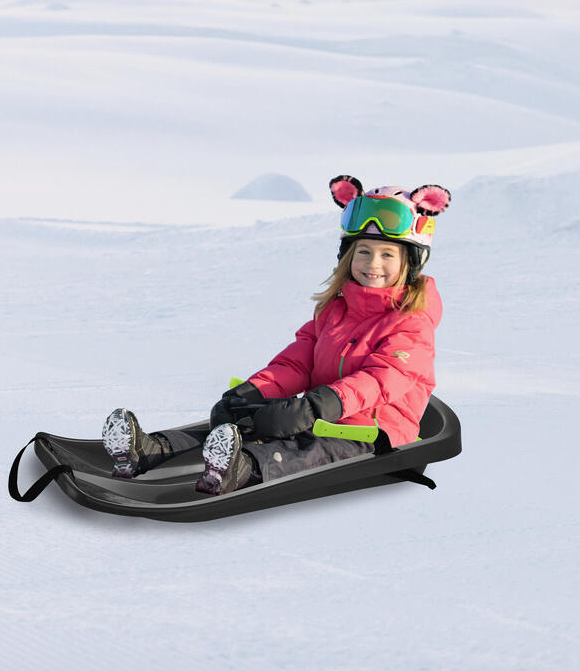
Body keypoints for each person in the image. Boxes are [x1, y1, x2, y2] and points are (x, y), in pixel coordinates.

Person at [101, 174, 451, 496]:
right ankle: (151, 450)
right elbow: (297, 361)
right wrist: (254, 390)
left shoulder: (412, 321)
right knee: (247, 421)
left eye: (387, 254)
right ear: (348, 256)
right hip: (318, 417)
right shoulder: (335, 309)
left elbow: (384, 377)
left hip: (372, 434)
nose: (373, 264)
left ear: (411, 262)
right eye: (364, 252)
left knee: (304, 451)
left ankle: (242, 467)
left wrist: (315, 406)